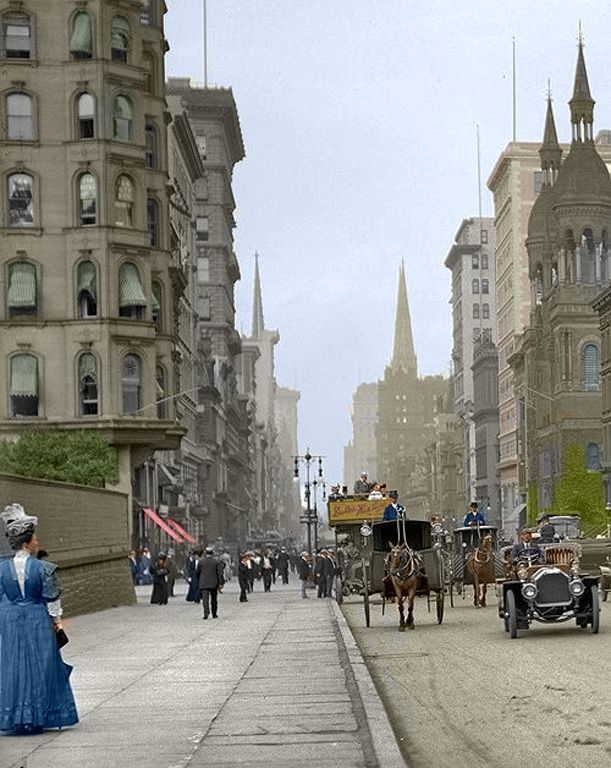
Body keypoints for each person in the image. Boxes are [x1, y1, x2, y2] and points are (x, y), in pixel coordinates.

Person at [0, 503, 78, 734]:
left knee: (15, 664)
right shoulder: (43, 568)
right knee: (41, 665)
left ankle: (16, 714)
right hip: (37, 618)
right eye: (35, 538)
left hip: (12, 620)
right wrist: (57, 623)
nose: (37, 542)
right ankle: (39, 713)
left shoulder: (2, 569)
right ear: (26, 541)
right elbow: (52, 600)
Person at [199, 546, 224, 619]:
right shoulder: (216, 562)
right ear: (212, 553)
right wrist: (221, 583)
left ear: (205, 553)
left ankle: (206, 613)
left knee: (205, 599)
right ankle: (214, 613)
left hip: (204, 582)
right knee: (214, 599)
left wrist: (200, 580)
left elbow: (197, 572)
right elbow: (220, 573)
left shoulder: (201, 562)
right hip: (214, 583)